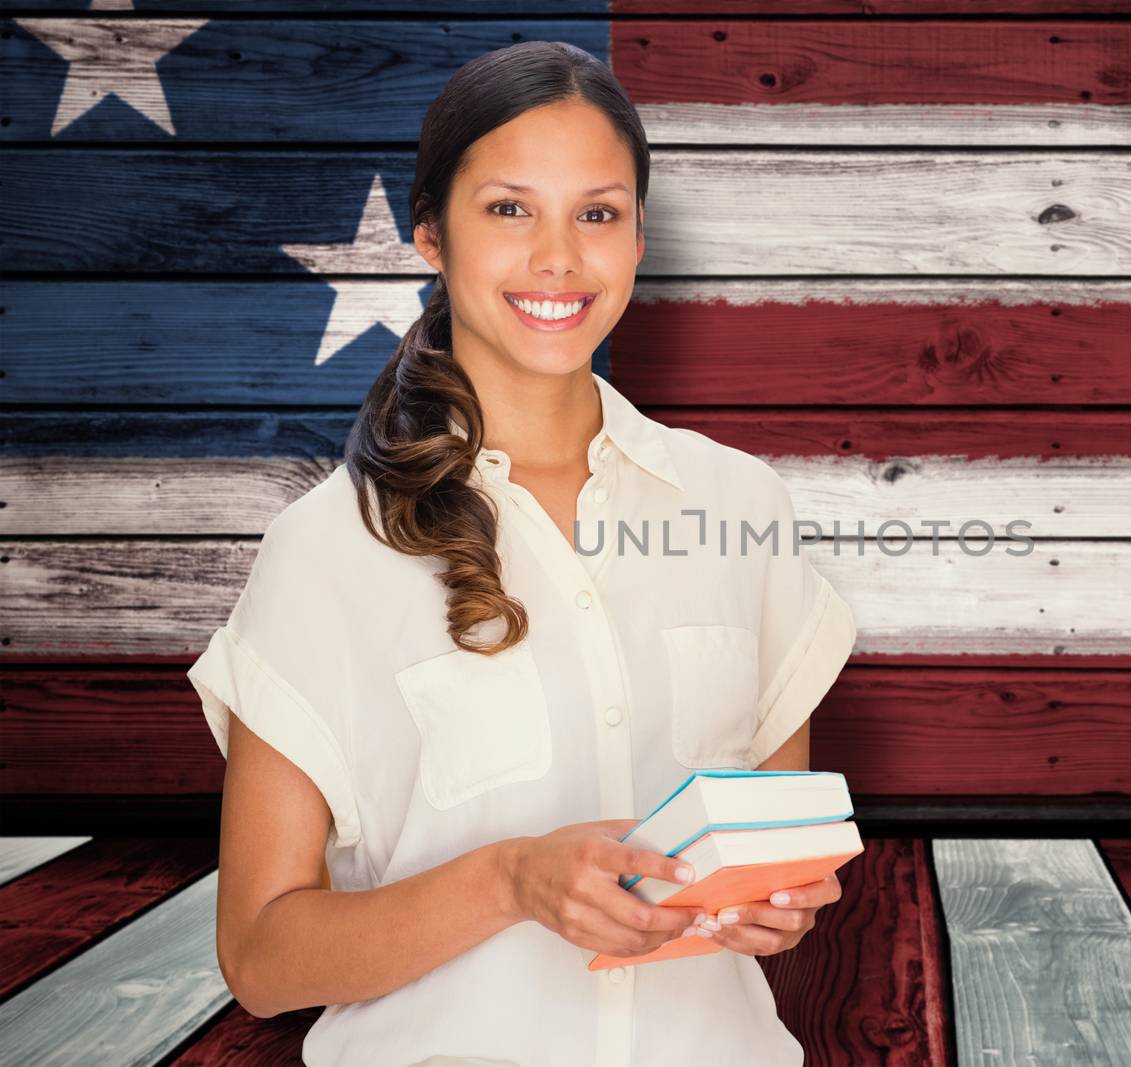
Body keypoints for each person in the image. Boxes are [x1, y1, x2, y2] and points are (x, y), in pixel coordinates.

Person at [186, 40, 856, 1066]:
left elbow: (772, 862)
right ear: (430, 237)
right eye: (509, 209)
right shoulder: (323, 550)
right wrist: (509, 878)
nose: (558, 257)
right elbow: (262, 957)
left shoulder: (739, 504)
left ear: (637, 239)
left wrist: (778, 903)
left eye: (597, 213)